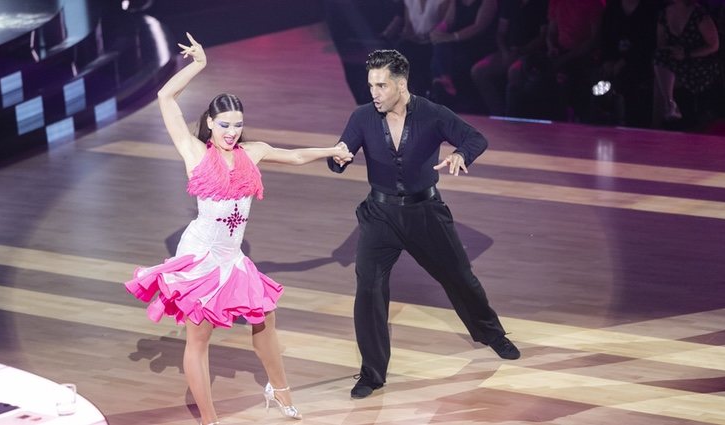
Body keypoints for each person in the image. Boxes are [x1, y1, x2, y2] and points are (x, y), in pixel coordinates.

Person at [124, 33, 352, 425]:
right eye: (225, 124)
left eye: (238, 125)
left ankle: (280, 391)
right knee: (199, 339)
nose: (231, 132)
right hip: (200, 256)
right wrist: (199, 65)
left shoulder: (253, 152)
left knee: (265, 319)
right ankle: (209, 420)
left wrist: (331, 150)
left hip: (232, 257)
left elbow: (295, 156)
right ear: (210, 123)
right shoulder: (194, 152)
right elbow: (165, 99)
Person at [327, 49, 520, 400]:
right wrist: (338, 158)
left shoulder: (432, 114)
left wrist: (461, 154)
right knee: (368, 289)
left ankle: (492, 335)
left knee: (460, 277)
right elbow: (341, 156)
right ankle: (372, 373)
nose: (374, 92)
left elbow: (476, 138)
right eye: (371, 84)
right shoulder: (362, 117)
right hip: (379, 215)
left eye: (381, 85)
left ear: (401, 84)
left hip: (425, 212)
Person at [652, 0, 720, 123]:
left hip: (699, 62)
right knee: (660, 63)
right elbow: (661, 44)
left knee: (661, 79)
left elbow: (714, 45)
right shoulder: (664, 14)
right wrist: (674, 50)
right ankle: (669, 105)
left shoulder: (699, 14)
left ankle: (665, 115)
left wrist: (688, 54)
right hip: (677, 60)